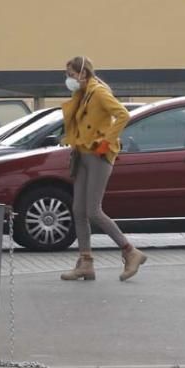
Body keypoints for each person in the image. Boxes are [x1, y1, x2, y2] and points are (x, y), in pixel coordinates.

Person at [58, 56, 147, 282]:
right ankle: (85, 262)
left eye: (70, 74)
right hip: (82, 153)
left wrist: (107, 141)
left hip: (98, 155)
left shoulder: (98, 92)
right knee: (78, 209)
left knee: (93, 210)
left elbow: (122, 114)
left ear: (83, 73)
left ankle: (130, 251)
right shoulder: (82, 93)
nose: (68, 79)